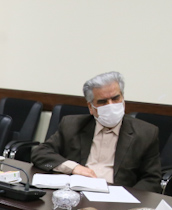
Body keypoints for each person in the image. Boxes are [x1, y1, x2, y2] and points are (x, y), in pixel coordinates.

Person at [31, 71, 162, 191]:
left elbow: (151, 179)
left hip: (116, 195)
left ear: (123, 99)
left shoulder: (146, 133)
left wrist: (129, 198)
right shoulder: (72, 125)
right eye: (103, 102)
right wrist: (74, 168)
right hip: (76, 192)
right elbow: (40, 153)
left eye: (115, 98)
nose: (111, 105)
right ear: (91, 107)